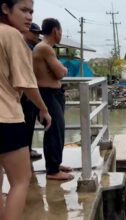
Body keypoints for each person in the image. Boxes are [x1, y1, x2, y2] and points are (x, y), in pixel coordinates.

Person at [0, 0, 52, 219]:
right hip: (7, 117)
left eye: (31, 11)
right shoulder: (12, 36)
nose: (29, 17)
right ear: (5, 8)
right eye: (23, 10)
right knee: (21, 180)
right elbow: (26, 83)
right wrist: (44, 109)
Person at [33, 18, 73, 180]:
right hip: (47, 94)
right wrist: (63, 68)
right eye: (61, 31)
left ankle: (55, 164)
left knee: (56, 130)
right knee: (54, 130)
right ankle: (52, 170)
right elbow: (61, 72)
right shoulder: (45, 48)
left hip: (53, 94)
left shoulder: (45, 48)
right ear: (56, 31)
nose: (61, 34)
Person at [21, 22, 42, 160]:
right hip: (25, 93)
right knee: (26, 123)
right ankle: (25, 151)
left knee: (29, 123)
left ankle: (27, 149)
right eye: (34, 32)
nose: (36, 35)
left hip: (29, 91)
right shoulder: (24, 47)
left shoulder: (32, 47)